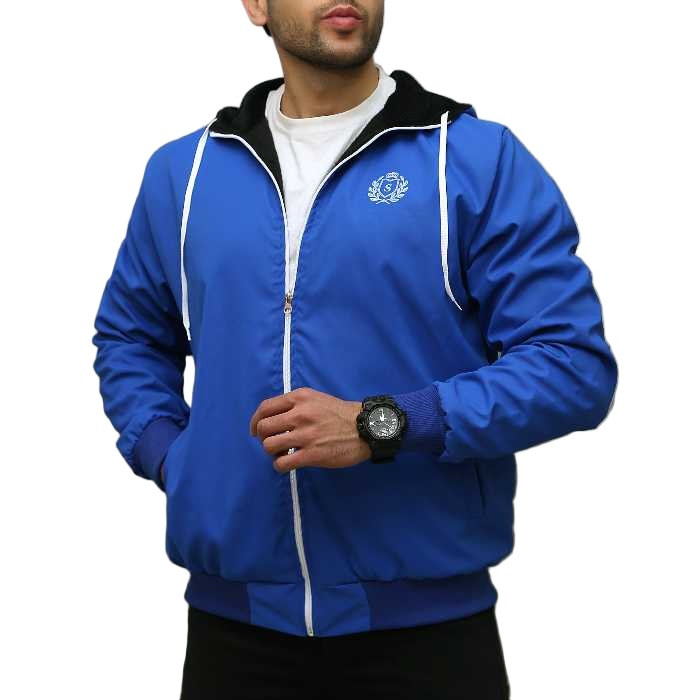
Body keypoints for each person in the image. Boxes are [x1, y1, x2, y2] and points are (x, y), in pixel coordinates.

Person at [91, 1, 618, 697]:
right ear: (257, 4)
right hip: (234, 636)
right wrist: (174, 457)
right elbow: (130, 335)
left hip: (428, 641)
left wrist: (382, 424)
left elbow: (570, 365)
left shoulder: (471, 159)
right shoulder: (183, 174)